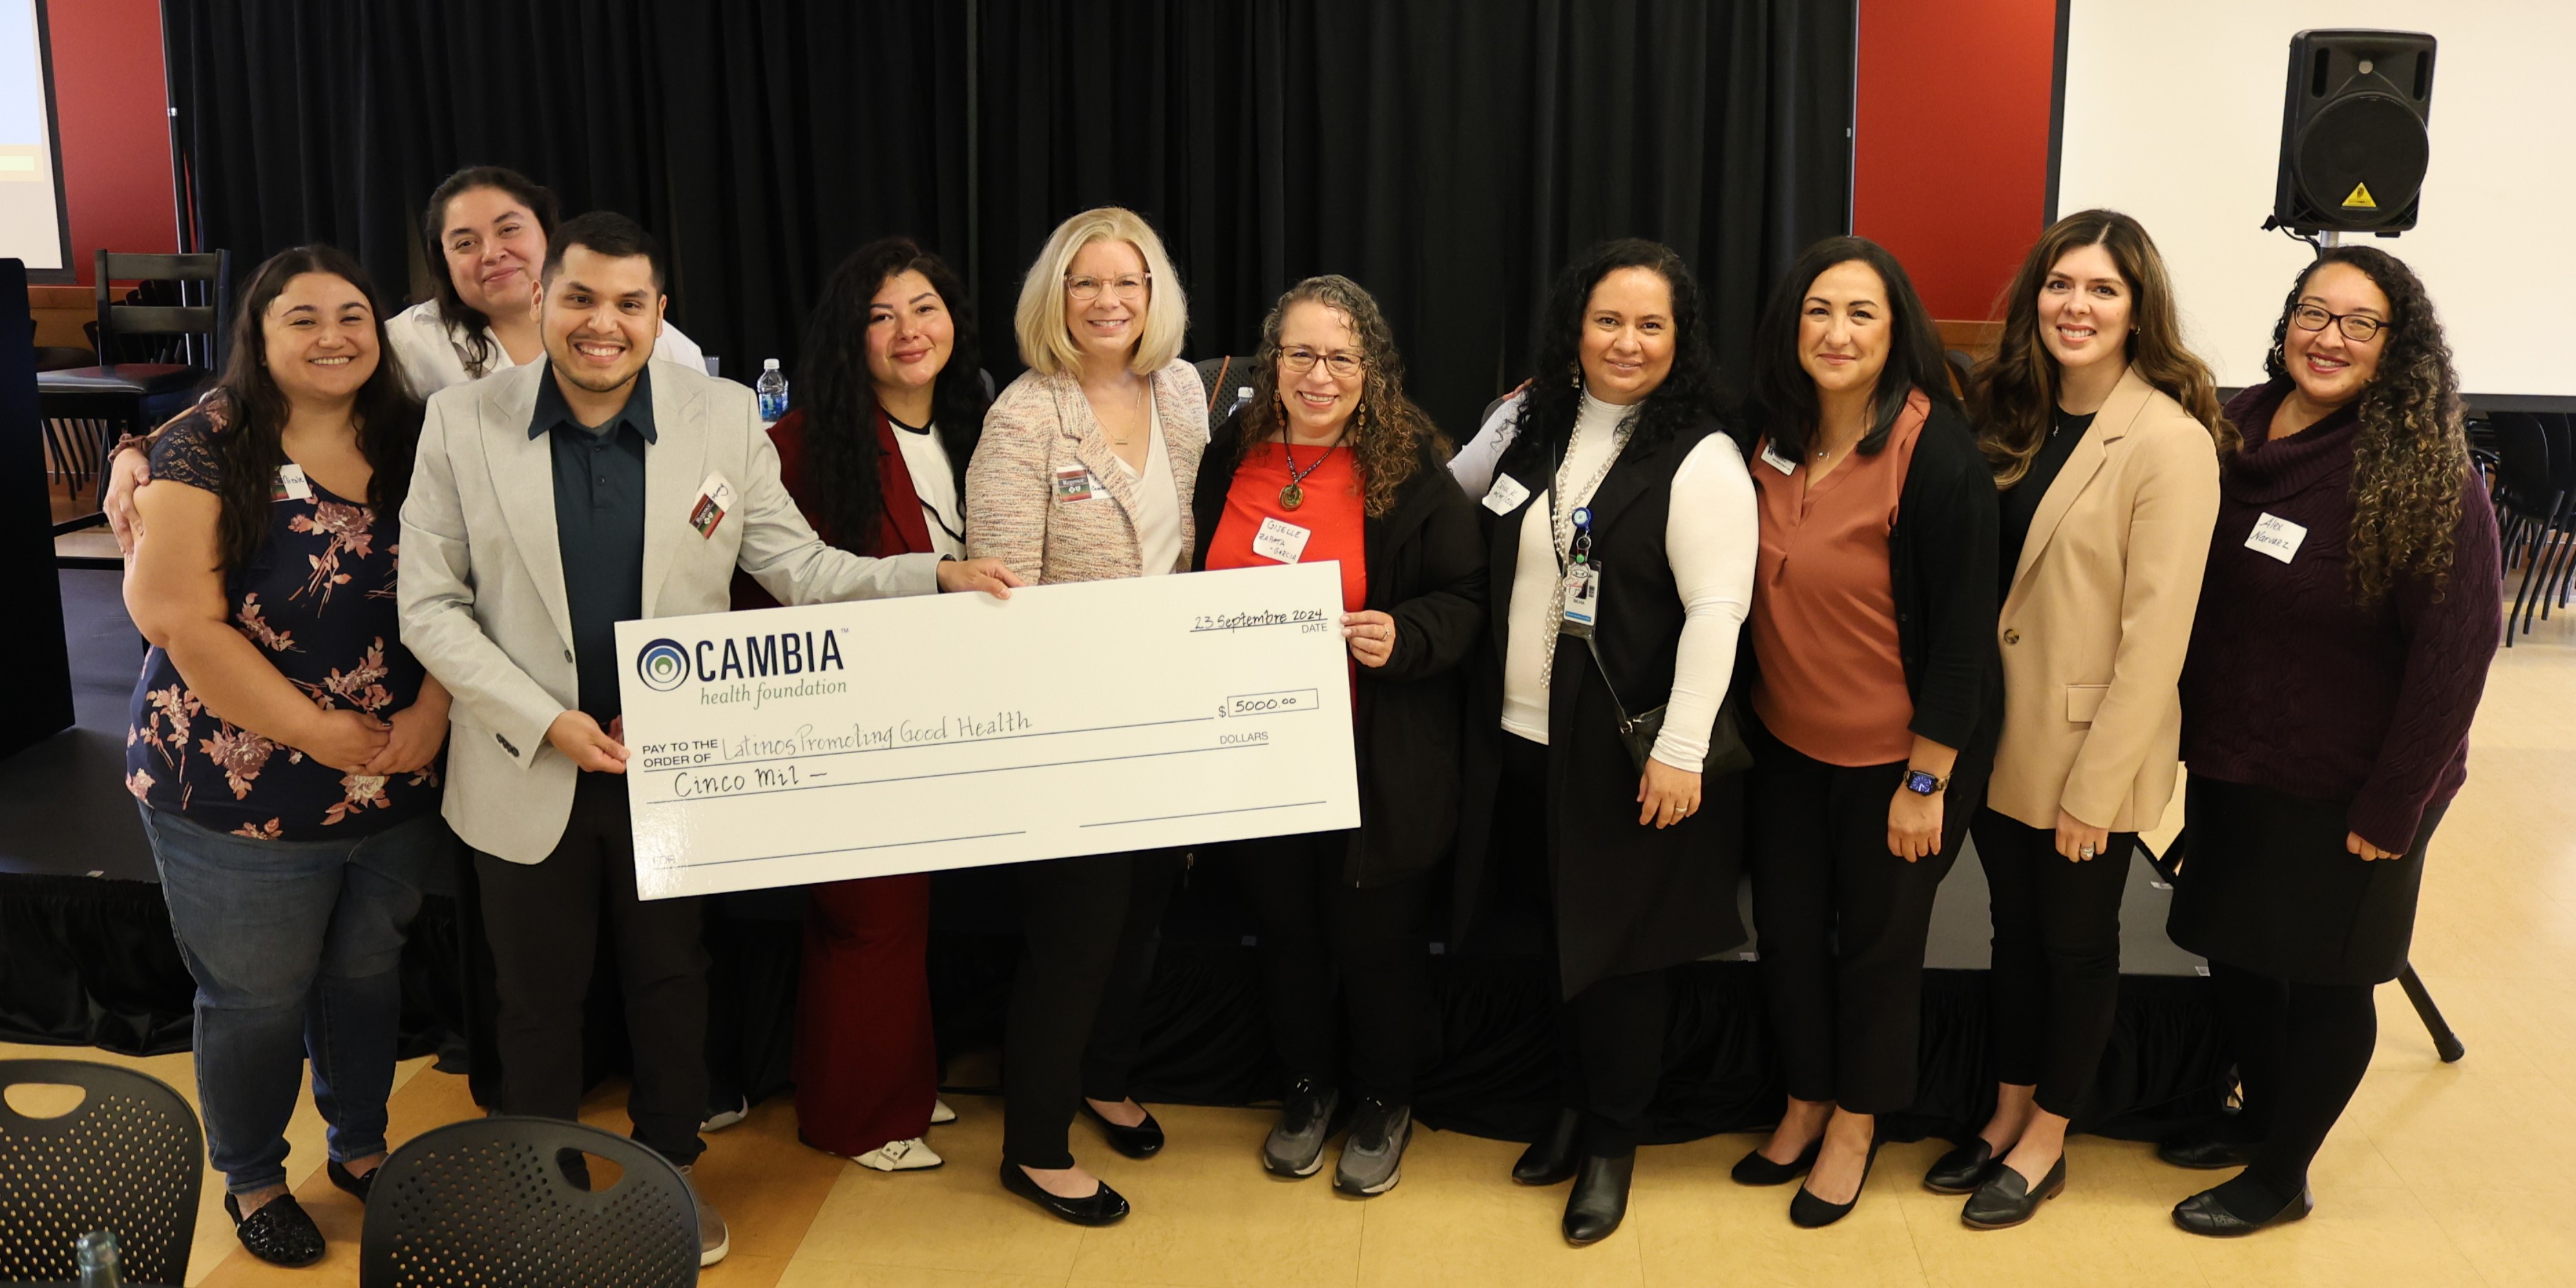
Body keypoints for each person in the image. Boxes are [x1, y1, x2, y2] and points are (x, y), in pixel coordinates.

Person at [397, 212, 1020, 1268]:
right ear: (543, 301)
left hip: (677, 763)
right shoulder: (461, 419)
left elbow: (803, 568)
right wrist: (545, 717)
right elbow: (430, 606)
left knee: (672, 984)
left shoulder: (724, 417)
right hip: (524, 759)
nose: (604, 324)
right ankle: (538, 1200)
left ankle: (667, 1183)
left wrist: (930, 573)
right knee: (534, 1003)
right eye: (581, 298)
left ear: (659, 314)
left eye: (630, 303)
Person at [2159, 246, 2498, 1236]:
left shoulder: (2427, 474)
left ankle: (2282, 1173)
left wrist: (2394, 804)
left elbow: (2453, 660)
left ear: (2399, 349)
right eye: (2314, 312)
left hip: (2359, 783)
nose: (2329, 337)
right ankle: (2258, 1117)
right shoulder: (2230, 426)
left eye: (2360, 323)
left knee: (2329, 975)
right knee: (2240, 953)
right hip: (2238, 755)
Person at [121, 245, 448, 1267]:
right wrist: (315, 731)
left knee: (364, 970)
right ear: (257, 337)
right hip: (235, 784)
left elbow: (485, 581)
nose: (333, 336)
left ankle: (359, 1146)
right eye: (301, 318)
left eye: (352, 314)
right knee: (256, 996)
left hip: (396, 770)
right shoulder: (201, 445)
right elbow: (176, 614)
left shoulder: (419, 433)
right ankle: (255, 1173)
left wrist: (436, 709)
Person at [1447, 238, 1758, 1245]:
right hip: (1520, 744)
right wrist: (1500, 416)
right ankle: (1572, 1109)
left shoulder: (1699, 454)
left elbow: (1719, 610)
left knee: (1621, 961)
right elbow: (1451, 503)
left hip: (1627, 755)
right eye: (1608, 320)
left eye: (1650, 324)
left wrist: (1681, 746)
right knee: (1556, 942)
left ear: (1681, 339)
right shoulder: (1532, 428)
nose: (1627, 341)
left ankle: (1615, 1142)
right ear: (1574, 329)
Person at [1923, 210, 2228, 1229]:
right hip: (2002, 740)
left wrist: (2096, 792)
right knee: (2013, 936)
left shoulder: (2170, 441)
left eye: (2102, 289)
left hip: (2088, 754)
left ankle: (2051, 1133)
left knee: (2076, 946)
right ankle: (2005, 1110)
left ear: (2140, 308)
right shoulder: (2009, 414)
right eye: (2060, 285)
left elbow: (2156, 643)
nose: (2076, 306)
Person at [1188, 275, 1485, 1196]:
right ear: (1272, 361)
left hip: (1373, 762)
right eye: (1302, 353)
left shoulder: (1410, 465)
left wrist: (1404, 635)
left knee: (1373, 940)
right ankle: (1308, 1088)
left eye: (1342, 356)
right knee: (1284, 932)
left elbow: (1464, 599)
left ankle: (1385, 1098)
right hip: (1259, 754)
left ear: (1374, 368)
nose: (1320, 375)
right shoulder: (1225, 451)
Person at [1732, 236, 2000, 1229]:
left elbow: (1967, 638)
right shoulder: (1768, 430)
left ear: (1898, 335)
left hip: (1899, 760)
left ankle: (1855, 1121)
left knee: (1880, 951)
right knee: (1789, 932)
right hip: (1785, 746)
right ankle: (1805, 1096)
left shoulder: (1936, 456)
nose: (1836, 332)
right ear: (1790, 327)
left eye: (1861, 314)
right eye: (1818, 311)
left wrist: (1926, 781)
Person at [965, 206, 1207, 1225]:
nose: (1108, 302)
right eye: (1086, 284)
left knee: (1146, 910)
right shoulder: (1025, 415)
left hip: (1171, 706)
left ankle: (1106, 1075)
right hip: (1073, 720)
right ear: (1053, 299)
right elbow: (1002, 590)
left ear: (1155, 298)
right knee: (1075, 934)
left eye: (1128, 283)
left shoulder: (1186, 390)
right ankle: (1034, 1144)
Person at [98, 166, 706, 552]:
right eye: (464, 243)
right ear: (442, 263)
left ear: (549, 237)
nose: (491, 253)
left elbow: (706, 451)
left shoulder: (637, 334)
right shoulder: (413, 340)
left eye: (509, 230)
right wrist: (142, 448)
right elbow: (268, 387)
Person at [734, 237, 984, 1170]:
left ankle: (899, 1084)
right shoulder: (800, 443)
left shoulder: (975, 422)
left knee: (900, 912)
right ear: (849, 338)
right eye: (881, 315)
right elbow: (770, 586)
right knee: (866, 912)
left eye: (923, 306)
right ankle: (860, 1116)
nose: (908, 330)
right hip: (846, 715)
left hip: (947, 705)